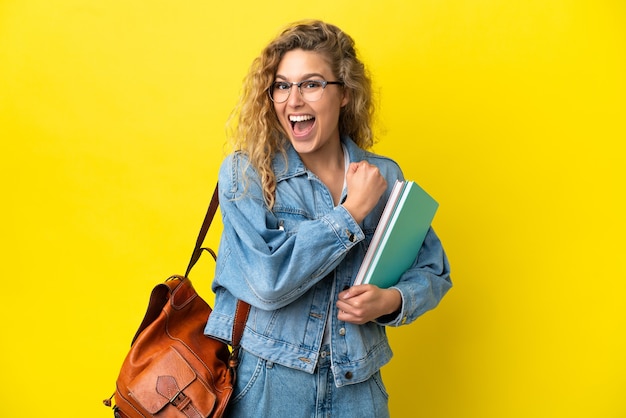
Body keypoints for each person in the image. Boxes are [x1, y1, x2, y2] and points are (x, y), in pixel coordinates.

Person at [204, 19, 452, 418]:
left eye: (312, 84)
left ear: (344, 95)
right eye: (282, 85)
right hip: (269, 384)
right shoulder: (246, 172)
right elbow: (268, 282)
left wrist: (390, 301)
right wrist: (351, 213)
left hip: (359, 386)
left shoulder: (384, 176)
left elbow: (434, 271)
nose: (294, 99)